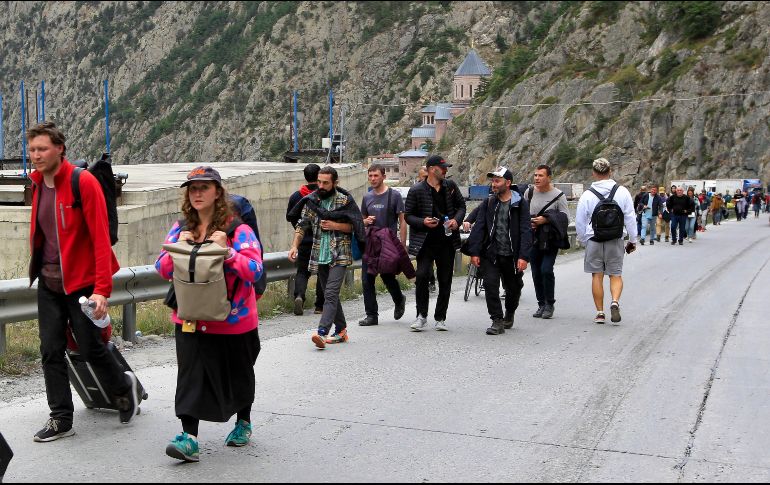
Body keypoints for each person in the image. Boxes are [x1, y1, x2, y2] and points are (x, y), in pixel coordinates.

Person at [26, 122, 138, 442]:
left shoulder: (82, 182)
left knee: (90, 348)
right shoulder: (37, 184)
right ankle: (60, 418)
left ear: (59, 149)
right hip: (49, 283)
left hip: (82, 284)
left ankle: (123, 386)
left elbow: (101, 240)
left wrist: (102, 290)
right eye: (32, 149)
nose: (36, 155)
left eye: (42, 149)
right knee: (51, 350)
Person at [155, 166, 263, 462]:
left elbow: (255, 270)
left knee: (239, 373)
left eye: (204, 187)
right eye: (193, 188)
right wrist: (179, 248)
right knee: (190, 377)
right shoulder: (181, 228)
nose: (198, 193)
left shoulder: (238, 230)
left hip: (234, 320)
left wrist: (227, 252)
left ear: (218, 192)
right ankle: (188, 438)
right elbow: (161, 268)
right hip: (190, 317)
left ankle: (243, 422)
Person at [287, 166, 365, 349]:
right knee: (331, 294)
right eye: (319, 182)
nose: (321, 186)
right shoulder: (312, 200)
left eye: (325, 183)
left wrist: (335, 225)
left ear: (335, 183)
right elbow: (301, 225)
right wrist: (294, 246)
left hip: (340, 253)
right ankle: (341, 330)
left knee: (329, 293)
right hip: (319, 254)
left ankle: (322, 332)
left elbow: (355, 226)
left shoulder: (345, 200)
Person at [467, 167, 532, 335]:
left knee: (513, 289)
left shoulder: (520, 203)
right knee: (490, 285)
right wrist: (475, 252)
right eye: (492, 181)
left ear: (508, 183)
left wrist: (523, 256)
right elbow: (479, 227)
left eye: (497, 181)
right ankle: (497, 320)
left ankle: (509, 313)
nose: (493, 184)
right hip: (491, 254)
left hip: (512, 256)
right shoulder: (489, 203)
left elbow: (526, 230)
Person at [405, 154, 466, 332]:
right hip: (425, 243)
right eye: (443, 168)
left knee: (445, 279)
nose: (446, 170)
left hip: (447, 241)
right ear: (432, 169)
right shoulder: (416, 190)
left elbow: (462, 206)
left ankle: (440, 317)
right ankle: (421, 316)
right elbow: (408, 216)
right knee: (422, 276)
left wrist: (456, 220)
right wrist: (423, 222)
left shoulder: (451, 186)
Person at [575, 158, 637, 325]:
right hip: (615, 239)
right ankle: (615, 301)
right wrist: (633, 240)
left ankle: (600, 313)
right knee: (615, 274)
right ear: (610, 171)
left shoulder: (587, 195)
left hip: (594, 239)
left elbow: (580, 221)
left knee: (597, 275)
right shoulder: (622, 192)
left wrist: (584, 240)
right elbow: (630, 217)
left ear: (593, 173)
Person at [358, 164, 408, 326]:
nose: (373, 179)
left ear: (383, 177)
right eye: (370, 176)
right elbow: (362, 220)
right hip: (370, 245)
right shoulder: (367, 197)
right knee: (367, 279)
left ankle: (399, 299)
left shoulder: (394, 196)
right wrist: (365, 221)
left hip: (388, 244)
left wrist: (402, 245)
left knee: (387, 277)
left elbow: (403, 221)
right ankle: (371, 315)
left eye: (376, 176)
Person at [522, 164, 568, 319]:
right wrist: (529, 223)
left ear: (549, 177)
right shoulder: (529, 192)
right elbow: (522, 213)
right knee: (536, 272)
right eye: (535, 175)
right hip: (533, 238)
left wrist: (546, 219)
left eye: (540, 175)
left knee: (546, 269)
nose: (537, 178)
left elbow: (565, 218)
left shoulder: (559, 195)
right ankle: (541, 304)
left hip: (550, 239)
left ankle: (550, 304)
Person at [286, 163, 324, 315]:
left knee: (302, 271)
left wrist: (299, 229)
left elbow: (290, 216)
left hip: (303, 240)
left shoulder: (296, 196)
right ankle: (319, 306)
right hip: (322, 240)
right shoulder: (324, 194)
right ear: (319, 175)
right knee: (322, 272)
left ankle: (299, 296)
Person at [417, 166, 437, 293]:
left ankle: (431, 281)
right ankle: (424, 281)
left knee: (429, 260)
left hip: (433, 231)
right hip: (419, 232)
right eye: (424, 177)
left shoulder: (435, 189)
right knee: (422, 260)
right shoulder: (415, 191)